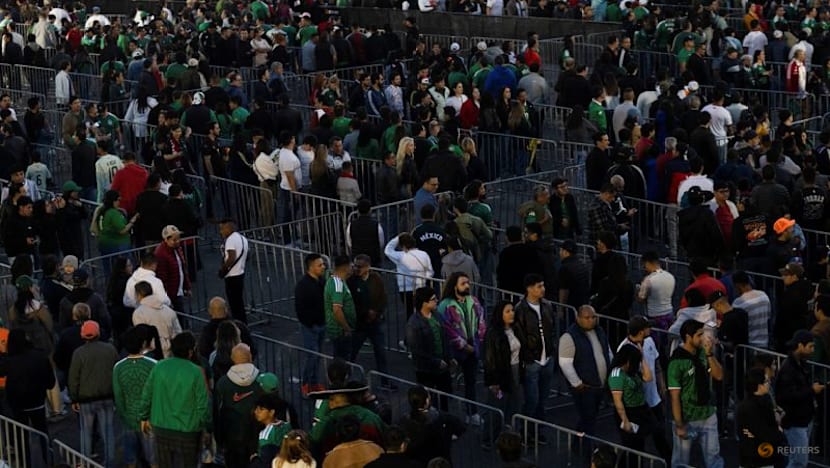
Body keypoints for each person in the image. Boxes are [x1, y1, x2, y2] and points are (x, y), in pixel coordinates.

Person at [139, 332, 210, 468]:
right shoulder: (196, 372)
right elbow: (202, 405)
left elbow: (146, 395)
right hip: (189, 430)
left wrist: (143, 416)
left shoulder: (159, 366)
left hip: (161, 427)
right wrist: (206, 427)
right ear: (190, 351)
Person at [668, 320, 725, 468]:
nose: (703, 338)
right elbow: (674, 396)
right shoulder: (677, 361)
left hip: (707, 414)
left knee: (714, 459)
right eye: (699, 335)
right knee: (681, 462)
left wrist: (710, 354)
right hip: (687, 417)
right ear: (688, 337)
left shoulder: (703, 353)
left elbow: (719, 375)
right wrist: (679, 424)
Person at [617, 316, 671, 462]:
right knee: (636, 442)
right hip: (637, 404)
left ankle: (668, 461)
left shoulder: (649, 341)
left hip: (654, 399)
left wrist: (661, 384)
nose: (650, 329)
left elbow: (657, 363)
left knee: (660, 434)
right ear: (641, 331)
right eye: (648, 327)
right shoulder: (624, 349)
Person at [559, 305, 613, 444]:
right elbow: (565, 363)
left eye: (593, 317)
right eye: (587, 317)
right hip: (585, 387)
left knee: (590, 417)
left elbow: (607, 351)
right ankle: (586, 447)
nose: (591, 320)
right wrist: (577, 383)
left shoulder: (599, 331)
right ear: (578, 318)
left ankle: (578, 442)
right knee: (588, 418)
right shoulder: (569, 336)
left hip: (599, 384)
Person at [68, 320, 118, 467]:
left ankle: (85, 462)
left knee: (86, 433)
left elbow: (73, 378)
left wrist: (74, 398)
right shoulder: (110, 349)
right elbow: (116, 371)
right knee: (107, 432)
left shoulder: (79, 353)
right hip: (107, 397)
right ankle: (109, 463)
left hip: (86, 400)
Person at [438, 272, 486, 424]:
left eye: (468, 283)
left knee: (471, 381)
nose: (467, 286)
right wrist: (463, 345)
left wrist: (479, 340)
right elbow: (447, 329)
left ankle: (472, 413)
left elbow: (481, 321)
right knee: (447, 384)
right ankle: (445, 416)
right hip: (454, 350)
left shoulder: (474, 301)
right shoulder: (445, 305)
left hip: (473, 346)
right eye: (463, 283)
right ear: (454, 286)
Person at [776, 329, 826, 468]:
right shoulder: (788, 369)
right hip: (795, 422)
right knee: (799, 462)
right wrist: (811, 390)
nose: (813, 350)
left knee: (796, 459)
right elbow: (786, 396)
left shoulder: (800, 364)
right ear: (800, 345)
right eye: (810, 346)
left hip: (803, 420)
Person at [4, 329, 55, 465]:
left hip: (18, 406)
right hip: (38, 402)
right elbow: (51, 382)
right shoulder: (39, 356)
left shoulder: (10, 361)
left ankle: (25, 463)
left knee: (21, 438)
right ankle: (49, 461)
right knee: (43, 434)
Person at [608, 343, 663, 467]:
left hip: (641, 409)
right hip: (629, 412)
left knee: (639, 444)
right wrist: (625, 420)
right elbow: (618, 400)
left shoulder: (633, 372)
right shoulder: (617, 374)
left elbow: (648, 377)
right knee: (631, 445)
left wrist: (642, 358)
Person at [514, 273, 555, 433]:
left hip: (547, 358)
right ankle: (526, 431)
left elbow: (551, 330)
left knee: (543, 399)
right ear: (529, 289)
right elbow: (520, 336)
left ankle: (538, 431)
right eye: (539, 286)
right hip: (532, 361)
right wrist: (528, 357)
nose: (543, 289)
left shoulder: (547, 305)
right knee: (532, 400)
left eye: (543, 285)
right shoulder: (520, 309)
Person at [113, 326, 158, 468]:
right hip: (150, 419)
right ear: (143, 343)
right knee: (154, 459)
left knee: (131, 459)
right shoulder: (153, 365)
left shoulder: (118, 367)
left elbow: (118, 396)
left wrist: (124, 416)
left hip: (128, 418)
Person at [215, 343, 264, 468]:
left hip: (231, 436)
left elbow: (216, 411)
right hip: (256, 435)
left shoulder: (223, 383)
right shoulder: (261, 380)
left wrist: (219, 438)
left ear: (232, 358)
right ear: (250, 357)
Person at [483, 301, 524, 444]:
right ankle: (489, 438)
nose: (512, 313)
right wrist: (493, 381)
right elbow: (489, 359)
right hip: (500, 373)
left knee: (514, 405)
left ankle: (510, 437)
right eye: (507, 311)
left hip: (515, 371)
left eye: (512, 310)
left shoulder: (515, 329)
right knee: (497, 407)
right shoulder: (493, 333)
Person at [405, 287, 453, 406]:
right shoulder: (414, 323)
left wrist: (449, 357)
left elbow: (445, 338)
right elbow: (417, 350)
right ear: (424, 303)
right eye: (433, 299)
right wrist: (436, 361)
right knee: (428, 400)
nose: (436, 301)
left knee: (444, 398)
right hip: (426, 369)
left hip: (442, 367)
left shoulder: (437, 316)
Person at [347, 254, 389, 380]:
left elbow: (383, 297)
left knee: (381, 352)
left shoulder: (376, 278)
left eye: (359, 266)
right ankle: (344, 378)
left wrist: (376, 312)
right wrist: (366, 313)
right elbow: (351, 302)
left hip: (375, 322)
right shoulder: (351, 281)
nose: (356, 269)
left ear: (368, 267)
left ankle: (385, 381)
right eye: (355, 265)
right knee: (352, 352)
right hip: (360, 324)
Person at [400, 385, 465, 465]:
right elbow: (460, 427)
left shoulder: (403, 421)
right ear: (427, 401)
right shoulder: (442, 419)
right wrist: (450, 436)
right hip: (439, 462)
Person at [737, 367, 786, 468]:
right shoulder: (753, 408)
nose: (769, 382)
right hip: (759, 459)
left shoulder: (760, 402)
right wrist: (778, 431)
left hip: (755, 457)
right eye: (766, 381)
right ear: (759, 386)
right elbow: (764, 433)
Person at [295, 254, 327, 394]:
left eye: (323, 264)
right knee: (312, 356)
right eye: (320, 265)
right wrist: (310, 324)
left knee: (317, 356)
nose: (323, 267)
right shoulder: (303, 285)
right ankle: (306, 384)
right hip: (311, 327)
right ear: (311, 267)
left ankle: (313, 383)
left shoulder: (321, 281)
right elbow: (300, 309)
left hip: (321, 324)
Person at [385, 233, 434, 319]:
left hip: (405, 288)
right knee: (422, 311)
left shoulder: (400, 256)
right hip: (421, 286)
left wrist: (398, 237)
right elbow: (430, 271)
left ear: (402, 245)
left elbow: (388, 250)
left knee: (410, 312)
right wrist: (423, 280)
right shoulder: (424, 254)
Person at [132, 281, 182, 358]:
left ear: (138, 295)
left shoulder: (139, 313)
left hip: (151, 354)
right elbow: (178, 333)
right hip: (171, 352)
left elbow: (141, 338)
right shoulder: (169, 310)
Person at [324, 255, 356, 360]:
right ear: (345, 267)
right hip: (340, 331)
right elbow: (337, 310)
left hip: (340, 330)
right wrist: (347, 328)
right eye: (351, 265)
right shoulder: (337, 284)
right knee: (342, 360)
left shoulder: (339, 281)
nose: (353, 268)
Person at [636, 251, 676, 333]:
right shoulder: (670, 276)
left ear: (648, 263)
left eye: (644, 265)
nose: (644, 268)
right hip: (669, 313)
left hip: (654, 316)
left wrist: (637, 291)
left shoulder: (648, 280)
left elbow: (641, 299)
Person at [154, 225, 190, 313]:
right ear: (166, 240)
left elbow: (182, 268)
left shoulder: (176, 248)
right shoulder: (161, 254)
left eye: (178, 238)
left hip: (178, 290)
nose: (178, 241)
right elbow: (162, 277)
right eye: (174, 239)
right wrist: (166, 298)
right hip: (172, 293)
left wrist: (187, 286)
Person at [219, 219, 249, 323]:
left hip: (232, 276)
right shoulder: (243, 238)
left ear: (228, 228)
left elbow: (232, 257)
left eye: (222, 229)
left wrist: (223, 269)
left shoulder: (230, 240)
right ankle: (242, 323)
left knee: (234, 304)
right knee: (239, 303)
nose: (221, 232)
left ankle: (238, 324)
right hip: (240, 272)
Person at [346, 199, 384, 267]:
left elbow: (350, 243)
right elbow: (381, 243)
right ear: (370, 210)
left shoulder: (351, 225)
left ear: (358, 211)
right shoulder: (376, 225)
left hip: (357, 259)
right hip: (373, 259)